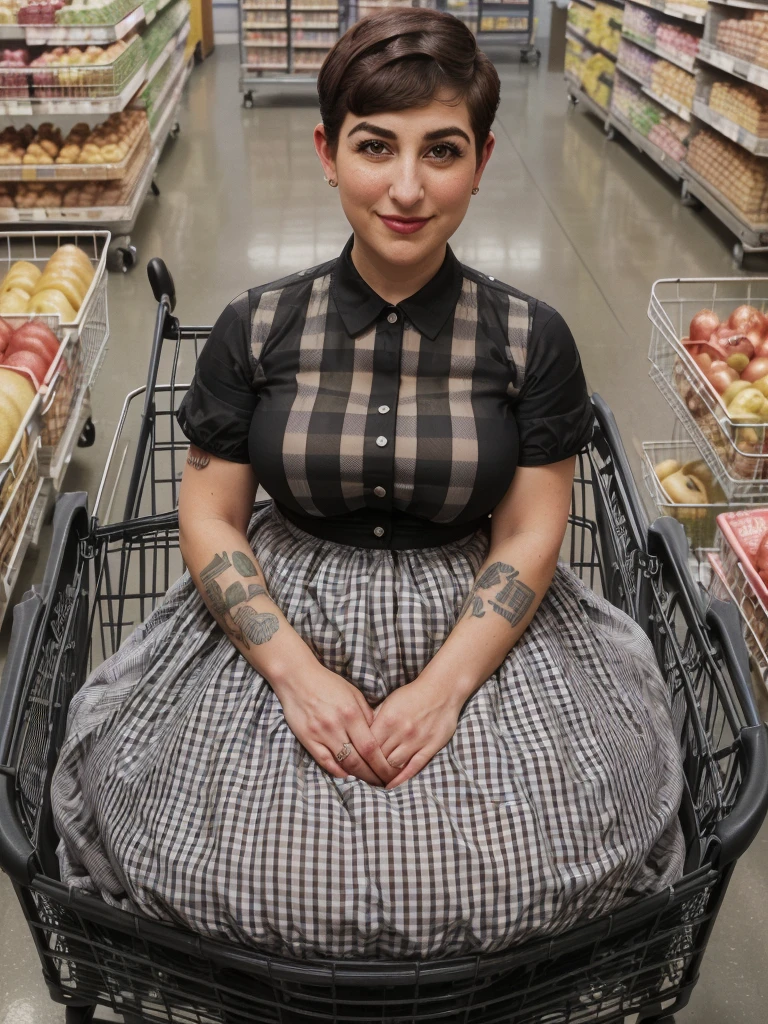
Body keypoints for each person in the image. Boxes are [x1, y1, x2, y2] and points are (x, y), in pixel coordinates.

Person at [52, 7, 684, 960]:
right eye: (374, 146)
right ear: (327, 150)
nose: (405, 187)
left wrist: (441, 692)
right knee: (222, 855)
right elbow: (215, 516)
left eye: (442, 151)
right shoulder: (255, 327)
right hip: (279, 604)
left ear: (481, 159)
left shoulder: (531, 339)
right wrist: (297, 676)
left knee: (523, 855)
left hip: (476, 613)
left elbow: (528, 533)